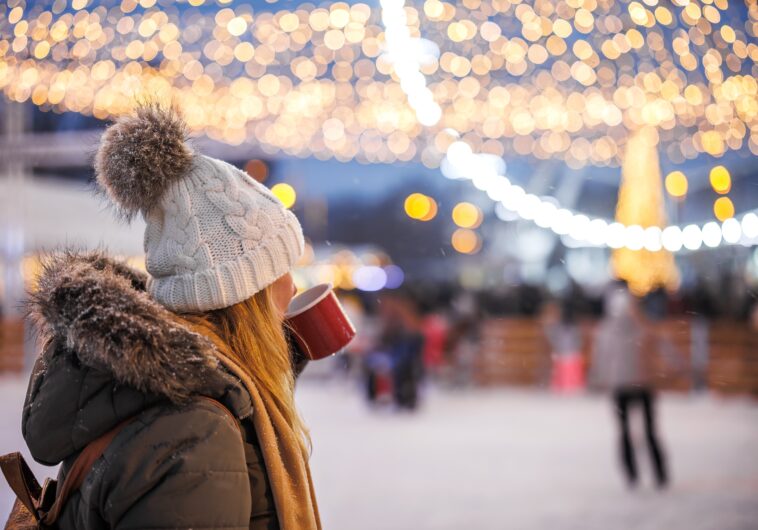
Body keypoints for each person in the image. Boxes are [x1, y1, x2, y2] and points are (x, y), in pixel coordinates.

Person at [21, 104, 321, 529]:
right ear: (242, 297)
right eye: (280, 270)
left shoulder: (155, 397)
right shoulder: (196, 432)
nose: (293, 286)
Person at [589, 285, 668, 489]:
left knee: (630, 432)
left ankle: (638, 475)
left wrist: (599, 378)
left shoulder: (612, 330)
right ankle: (654, 474)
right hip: (637, 385)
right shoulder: (638, 327)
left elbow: (601, 359)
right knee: (644, 432)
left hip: (629, 386)